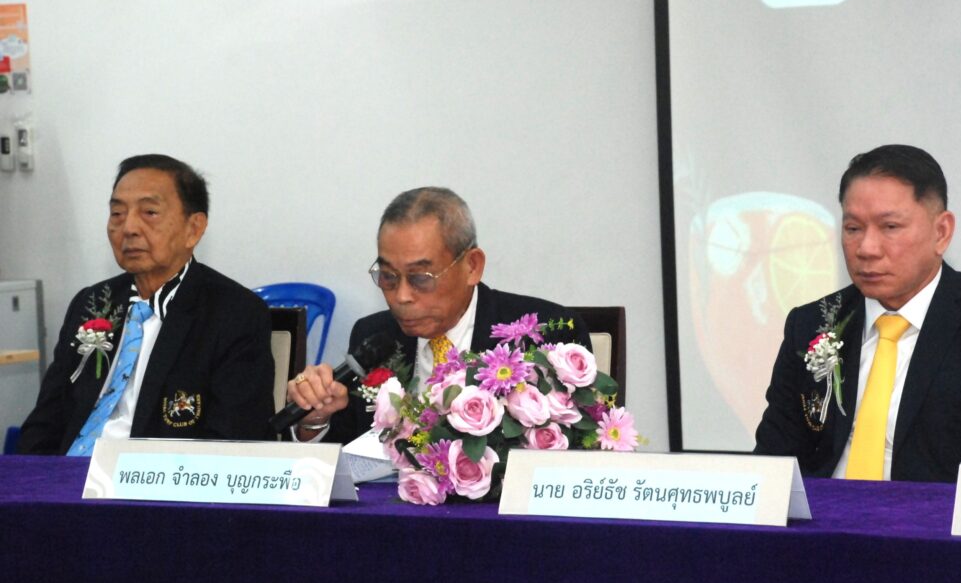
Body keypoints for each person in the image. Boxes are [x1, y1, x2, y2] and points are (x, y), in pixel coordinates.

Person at [754, 144, 961, 482]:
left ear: (941, 232)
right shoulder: (812, 324)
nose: (867, 248)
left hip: (935, 515)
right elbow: (772, 462)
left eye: (890, 227)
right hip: (822, 512)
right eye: (853, 229)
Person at [287, 186, 590, 443]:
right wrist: (316, 420)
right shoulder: (372, 336)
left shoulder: (544, 337)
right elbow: (348, 452)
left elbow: (578, 453)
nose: (402, 296)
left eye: (420, 278)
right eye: (389, 276)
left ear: (472, 266)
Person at [18, 154, 276, 455]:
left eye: (149, 212)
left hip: (154, 478)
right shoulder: (91, 303)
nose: (128, 228)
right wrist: (27, 477)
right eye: (117, 213)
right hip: (67, 475)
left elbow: (233, 442)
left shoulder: (234, 314)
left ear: (193, 228)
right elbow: (46, 421)